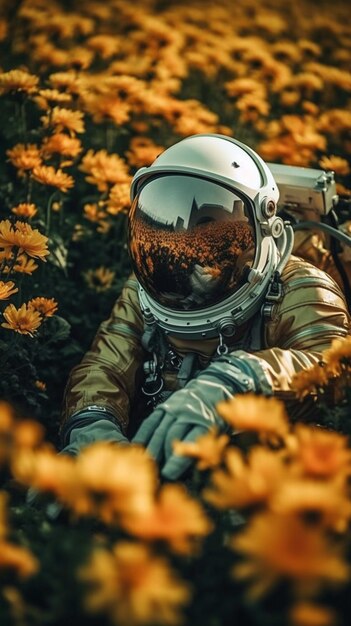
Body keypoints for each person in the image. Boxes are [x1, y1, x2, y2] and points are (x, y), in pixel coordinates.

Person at [60, 134, 351, 481]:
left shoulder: (301, 289)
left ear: (262, 230)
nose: (192, 263)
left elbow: (331, 365)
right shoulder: (145, 292)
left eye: (211, 236)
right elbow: (104, 366)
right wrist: (92, 424)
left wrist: (239, 378)